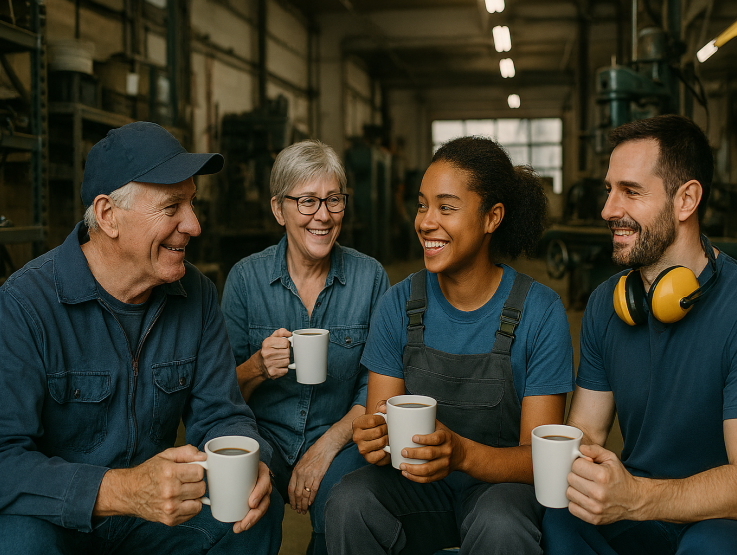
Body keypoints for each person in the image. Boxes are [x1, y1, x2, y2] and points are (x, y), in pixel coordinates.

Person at [0, 121, 282, 554]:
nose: (194, 225)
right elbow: (4, 461)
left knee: (253, 514)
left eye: (192, 203)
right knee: (19, 540)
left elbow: (222, 415)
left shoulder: (197, 295)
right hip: (58, 520)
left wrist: (252, 458)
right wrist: (122, 490)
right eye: (172, 207)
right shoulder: (24, 305)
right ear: (109, 215)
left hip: (152, 522)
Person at [324, 136, 575, 554]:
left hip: (500, 489)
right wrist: (372, 439)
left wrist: (460, 454)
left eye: (446, 207)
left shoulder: (540, 311)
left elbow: (540, 459)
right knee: (349, 501)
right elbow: (380, 423)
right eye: (422, 205)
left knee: (499, 525)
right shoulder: (399, 304)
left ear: (492, 217)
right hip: (416, 489)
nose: (425, 221)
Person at [541, 114, 737, 554]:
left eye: (630, 191)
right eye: (609, 190)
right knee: (558, 517)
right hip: (634, 511)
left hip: (715, 519)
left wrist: (638, 498)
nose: (608, 209)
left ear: (686, 200)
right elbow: (588, 434)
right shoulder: (606, 305)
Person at [220, 139, 390, 555]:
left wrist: (327, 445)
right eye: (308, 201)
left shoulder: (370, 279)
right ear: (279, 209)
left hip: (341, 436)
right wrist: (258, 366)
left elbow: (378, 390)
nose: (324, 216)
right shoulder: (245, 280)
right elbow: (220, 397)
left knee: (347, 512)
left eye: (334, 200)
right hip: (263, 436)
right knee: (239, 512)